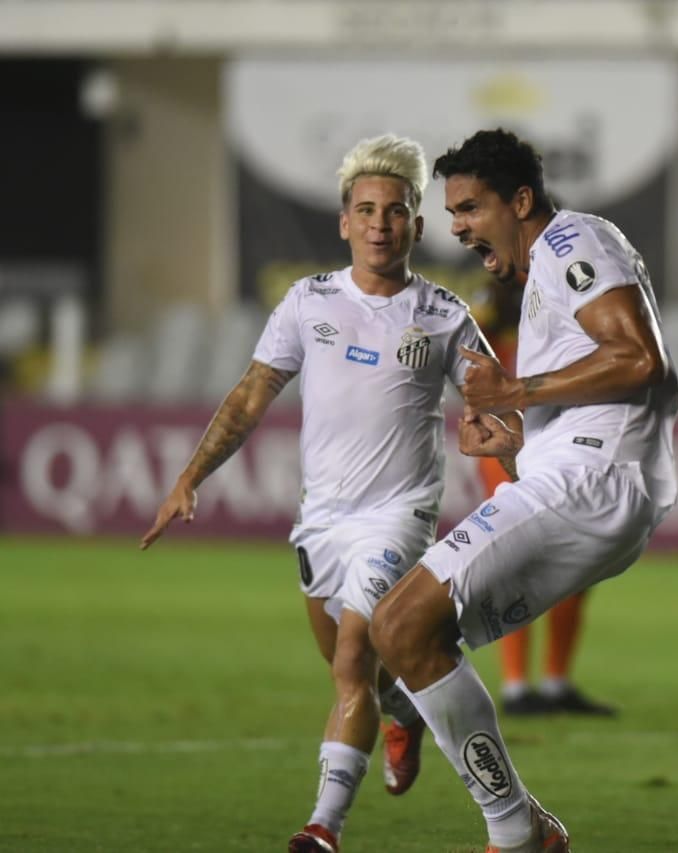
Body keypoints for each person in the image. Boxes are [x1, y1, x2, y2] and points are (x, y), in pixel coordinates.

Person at [141, 134, 497, 853]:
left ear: (415, 227)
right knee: (349, 661)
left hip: (396, 519)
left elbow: (498, 405)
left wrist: (497, 431)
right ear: (343, 222)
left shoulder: (443, 314)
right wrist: (189, 477)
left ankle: (322, 828)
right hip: (322, 519)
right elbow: (250, 396)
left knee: (349, 663)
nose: (378, 224)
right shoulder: (308, 303)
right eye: (364, 210)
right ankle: (407, 709)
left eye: (393, 212)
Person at [367, 128, 678, 853]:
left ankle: (517, 829)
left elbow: (640, 357)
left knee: (397, 626)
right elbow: (597, 394)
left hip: (597, 482)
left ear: (522, 200)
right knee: (402, 633)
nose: (458, 226)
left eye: (471, 207)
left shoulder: (572, 242)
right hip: (585, 478)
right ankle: (507, 815)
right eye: (452, 211)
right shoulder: (542, 276)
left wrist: (517, 387)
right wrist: (516, 440)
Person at [470, 278, 618, 717]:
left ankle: (555, 682)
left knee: (577, 562)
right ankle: (517, 687)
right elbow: (469, 355)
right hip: (510, 444)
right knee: (518, 562)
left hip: (563, 442)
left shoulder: (567, 299)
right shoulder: (496, 299)